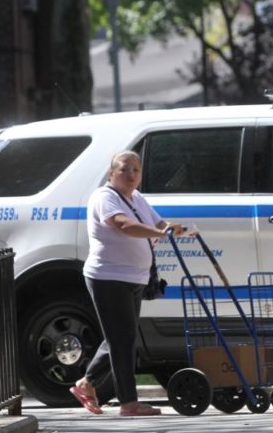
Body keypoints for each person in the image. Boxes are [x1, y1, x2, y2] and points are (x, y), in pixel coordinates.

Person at [70, 150, 187, 417]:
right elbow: (124, 225)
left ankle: (86, 384)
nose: (131, 174)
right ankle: (128, 402)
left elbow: (157, 221)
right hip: (108, 277)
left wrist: (171, 227)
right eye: (124, 169)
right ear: (112, 173)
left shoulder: (136, 197)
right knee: (123, 340)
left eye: (136, 169)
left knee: (121, 337)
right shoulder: (104, 197)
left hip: (134, 277)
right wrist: (159, 232)